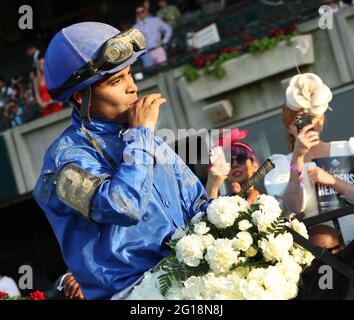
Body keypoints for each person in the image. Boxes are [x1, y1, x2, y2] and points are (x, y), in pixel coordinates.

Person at [32, 22, 210, 300]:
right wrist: (141, 135)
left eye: (130, 75)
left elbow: (197, 203)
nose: (133, 88)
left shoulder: (142, 135)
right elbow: (123, 206)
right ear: (81, 97)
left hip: (196, 281)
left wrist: (238, 213)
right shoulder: (62, 163)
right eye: (117, 81)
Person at [264, 73, 354, 218]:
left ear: (322, 120)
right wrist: (298, 158)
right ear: (290, 127)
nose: (308, 125)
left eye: (312, 117)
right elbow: (294, 206)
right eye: (300, 121)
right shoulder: (283, 165)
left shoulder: (348, 149)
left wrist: (332, 181)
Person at [206, 128, 260, 203]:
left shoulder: (273, 199)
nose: (234, 164)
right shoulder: (220, 207)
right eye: (229, 161)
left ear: (255, 165)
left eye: (241, 159)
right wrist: (212, 188)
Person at [134, 5, 172, 69]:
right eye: (138, 12)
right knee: (151, 73)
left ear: (145, 12)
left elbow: (168, 29)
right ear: (136, 14)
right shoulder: (135, 27)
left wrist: (164, 40)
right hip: (146, 53)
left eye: (142, 11)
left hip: (158, 49)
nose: (140, 14)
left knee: (164, 69)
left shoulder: (155, 20)